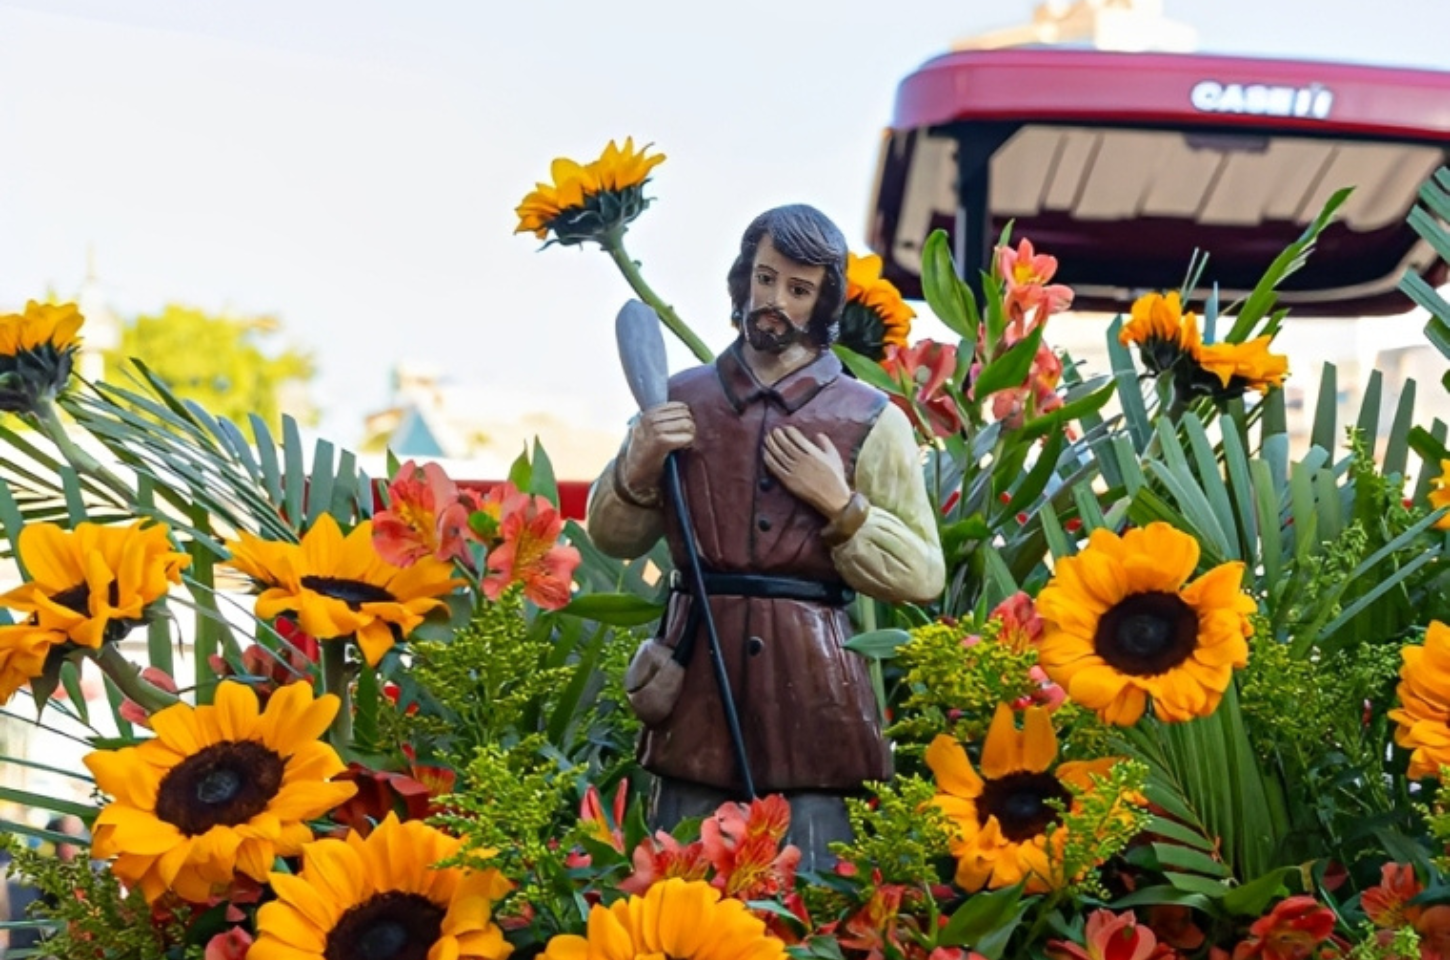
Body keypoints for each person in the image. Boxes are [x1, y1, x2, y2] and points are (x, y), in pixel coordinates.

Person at [587, 204, 945, 867]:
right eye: (765, 278)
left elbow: (923, 573)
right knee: (680, 861)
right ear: (744, 279)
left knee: (814, 864)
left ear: (824, 302)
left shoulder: (872, 419)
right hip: (697, 659)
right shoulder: (678, 398)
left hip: (813, 679)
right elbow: (612, 538)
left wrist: (841, 504)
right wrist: (638, 465)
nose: (775, 300)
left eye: (798, 288)